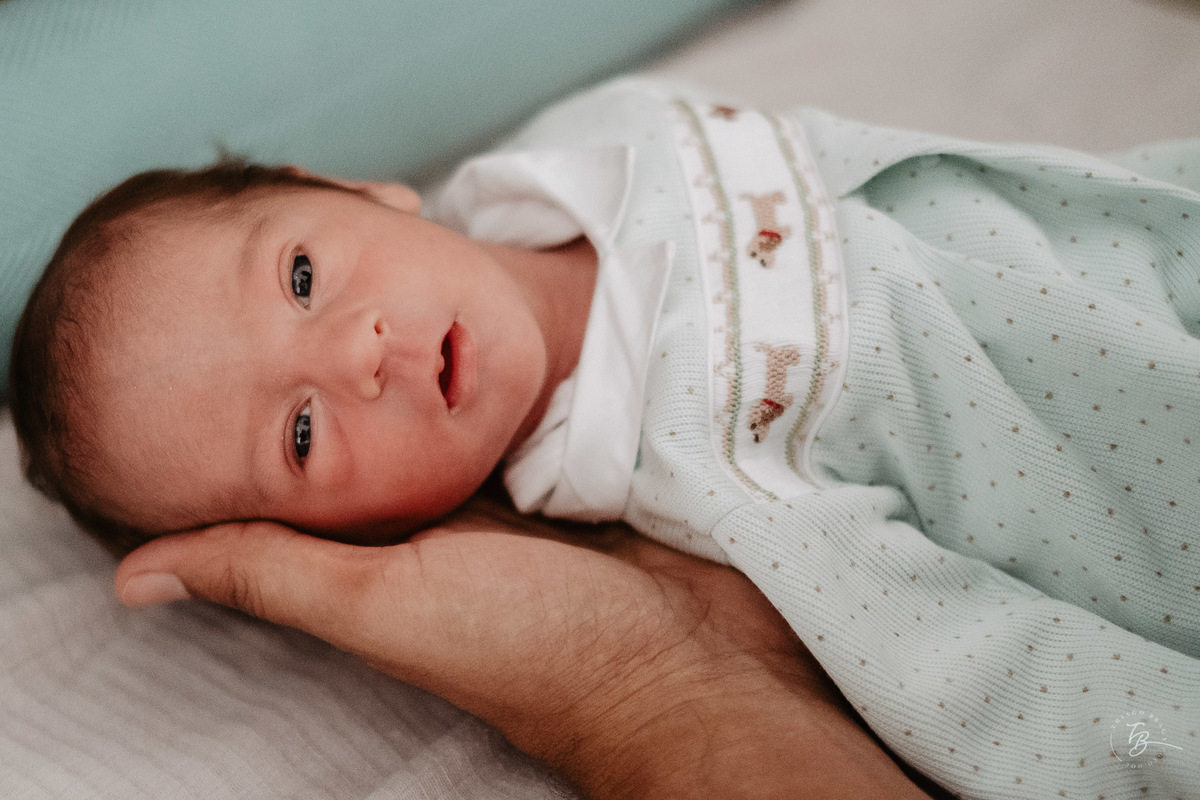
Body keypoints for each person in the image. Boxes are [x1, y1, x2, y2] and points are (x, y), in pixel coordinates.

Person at [10, 77, 1200, 798]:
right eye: (303, 432)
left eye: (303, 274)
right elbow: (964, 654)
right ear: (347, 533)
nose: (355, 352)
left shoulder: (599, 134)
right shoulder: (672, 502)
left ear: (356, 188)